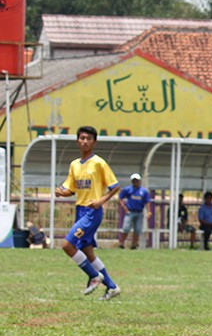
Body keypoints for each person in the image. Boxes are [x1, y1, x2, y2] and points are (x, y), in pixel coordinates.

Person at [53, 125, 122, 300]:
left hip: (92, 211)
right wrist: (62, 192)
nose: (85, 141)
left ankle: (93, 276)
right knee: (87, 250)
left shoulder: (99, 163)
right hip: (80, 210)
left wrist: (101, 201)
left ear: (94, 142)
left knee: (67, 245)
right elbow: (72, 188)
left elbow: (115, 186)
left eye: (88, 139)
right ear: (78, 141)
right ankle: (112, 287)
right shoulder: (74, 165)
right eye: (82, 138)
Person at [117, 173, 150, 249]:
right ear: (132, 181)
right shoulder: (128, 189)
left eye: (137, 180)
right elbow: (120, 198)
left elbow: (147, 202)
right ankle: (121, 243)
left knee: (137, 229)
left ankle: (134, 244)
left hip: (139, 212)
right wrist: (124, 207)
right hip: (130, 212)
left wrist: (149, 212)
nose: (136, 182)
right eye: (134, 180)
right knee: (126, 228)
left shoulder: (143, 191)